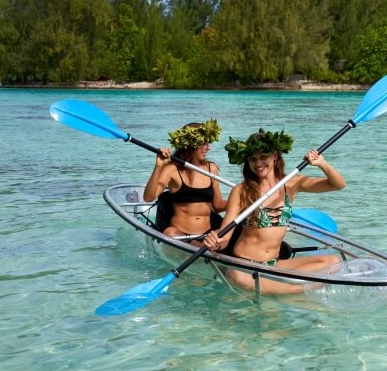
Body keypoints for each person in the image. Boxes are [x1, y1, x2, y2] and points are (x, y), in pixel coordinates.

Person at [202, 128, 346, 294]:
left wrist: (322, 163)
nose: (258, 164)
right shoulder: (241, 190)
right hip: (245, 266)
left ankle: (283, 289)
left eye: (263, 157)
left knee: (332, 261)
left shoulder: (290, 184)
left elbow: (338, 184)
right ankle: (300, 289)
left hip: (275, 264)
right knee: (236, 276)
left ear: (275, 156)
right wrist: (216, 240)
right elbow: (226, 236)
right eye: (253, 159)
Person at [143, 119, 227, 240]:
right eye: (203, 144)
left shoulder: (211, 168)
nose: (208, 148)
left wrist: (244, 201)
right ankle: (204, 250)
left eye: (208, 143)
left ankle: (208, 248)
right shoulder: (173, 170)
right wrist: (159, 166)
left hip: (208, 235)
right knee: (170, 233)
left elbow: (218, 205)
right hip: (181, 235)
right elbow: (148, 197)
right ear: (190, 145)